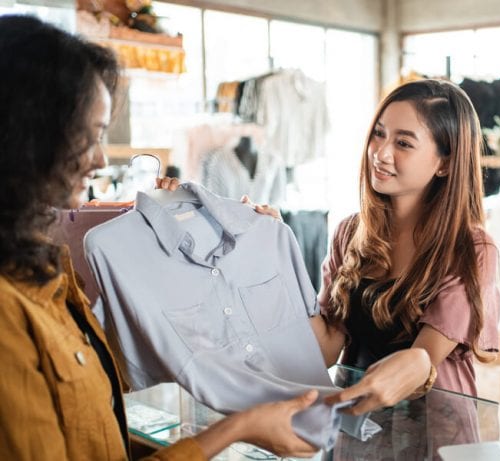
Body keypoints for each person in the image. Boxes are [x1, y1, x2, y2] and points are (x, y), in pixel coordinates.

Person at [0, 15, 319, 460]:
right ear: (27, 136)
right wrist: (236, 430)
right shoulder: (12, 312)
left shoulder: (51, 283)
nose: (97, 160)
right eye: (86, 136)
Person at [164, 79, 500, 414]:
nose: (380, 153)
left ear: (445, 162)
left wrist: (417, 363)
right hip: (358, 428)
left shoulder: (471, 249)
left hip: (435, 429)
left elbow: (419, 366)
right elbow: (325, 350)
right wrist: (278, 252)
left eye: (404, 143)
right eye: (379, 134)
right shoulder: (351, 233)